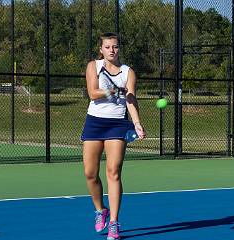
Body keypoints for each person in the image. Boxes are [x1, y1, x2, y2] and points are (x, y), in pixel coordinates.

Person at [81, 32, 146, 240]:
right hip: (94, 122)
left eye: (115, 47)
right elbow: (92, 93)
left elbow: (130, 99)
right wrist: (113, 91)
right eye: (107, 47)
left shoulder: (128, 73)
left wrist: (137, 124)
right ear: (101, 49)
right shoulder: (94, 66)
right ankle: (101, 210)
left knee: (113, 172)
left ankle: (114, 223)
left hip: (117, 124)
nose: (111, 50)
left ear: (119, 49)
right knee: (90, 174)